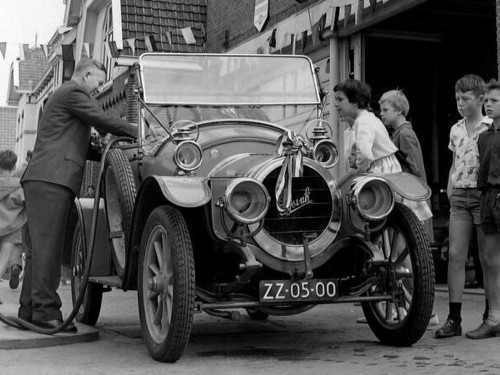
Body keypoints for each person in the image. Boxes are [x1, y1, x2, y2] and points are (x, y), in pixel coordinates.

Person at [18, 58, 137, 332]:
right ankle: (47, 312)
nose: (99, 88)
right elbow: (102, 118)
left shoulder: (64, 99)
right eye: (97, 81)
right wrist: (136, 131)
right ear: (85, 75)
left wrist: (109, 153)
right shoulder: (73, 93)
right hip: (51, 179)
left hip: (44, 177)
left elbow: (80, 147)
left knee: (39, 250)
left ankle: (29, 310)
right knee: (48, 248)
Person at [435, 74, 491, 339]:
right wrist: (449, 186)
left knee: (487, 258)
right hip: (459, 197)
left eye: (465, 98)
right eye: (457, 98)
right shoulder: (456, 129)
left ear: (480, 99)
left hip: (482, 197)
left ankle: (491, 316)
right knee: (456, 254)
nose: (460, 103)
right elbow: (455, 159)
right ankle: (454, 318)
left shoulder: (491, 127)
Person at [379, 89, 439, 327]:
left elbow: (415, 169)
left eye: (385, 110)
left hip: (409, 200)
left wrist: (415, 196)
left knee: (405, 260)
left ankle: (427, 310)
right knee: (399, 259)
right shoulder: (398, 133)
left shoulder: (405, 135)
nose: (381, 114)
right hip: (406, 197)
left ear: (399, 110)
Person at [467, 79, 500, 339]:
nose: (488, 105)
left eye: (495, 101)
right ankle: (493, 318)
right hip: (487, 198)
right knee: (488, 260)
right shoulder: (484, 136)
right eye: (487, 101)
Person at [334, 79, 401, 175]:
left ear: (355, 101)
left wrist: (360, 171)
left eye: (340, 100)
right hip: (384, 166)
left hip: (381, 169)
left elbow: (365, 154)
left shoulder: (363, 121)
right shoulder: (367, 118)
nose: (336, 104)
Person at [0, 150, 27, 303]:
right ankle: (15, 267)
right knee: (2, 261)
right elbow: (27, 203)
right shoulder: (18, 186)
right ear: (14, 166)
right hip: (11, 230)